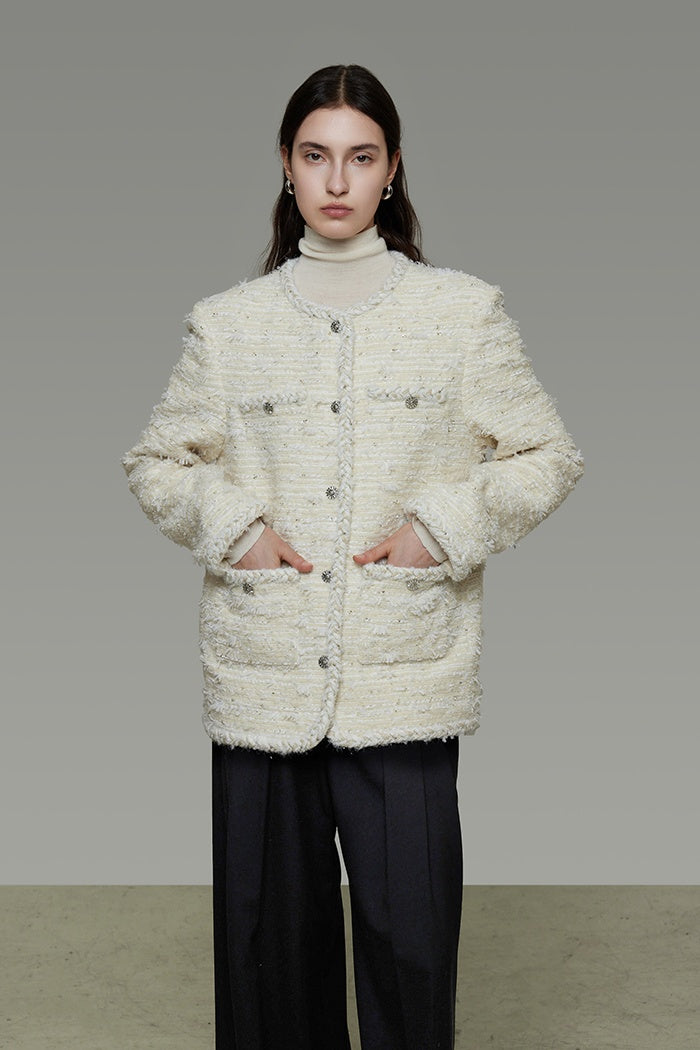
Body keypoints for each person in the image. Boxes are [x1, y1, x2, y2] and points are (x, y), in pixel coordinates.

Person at [122, 63, 584, 1050]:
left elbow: (547, 455)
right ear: (286, 167)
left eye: (360, 158)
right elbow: (157, 463)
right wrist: (236, 531)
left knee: (410, 945)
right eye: (316, 156)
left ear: (393, 169)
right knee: (264, 955)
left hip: (403, 670)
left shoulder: (461, 314)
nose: (337, 181)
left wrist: (442, 530)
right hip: (263, 675)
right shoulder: (230, 324)